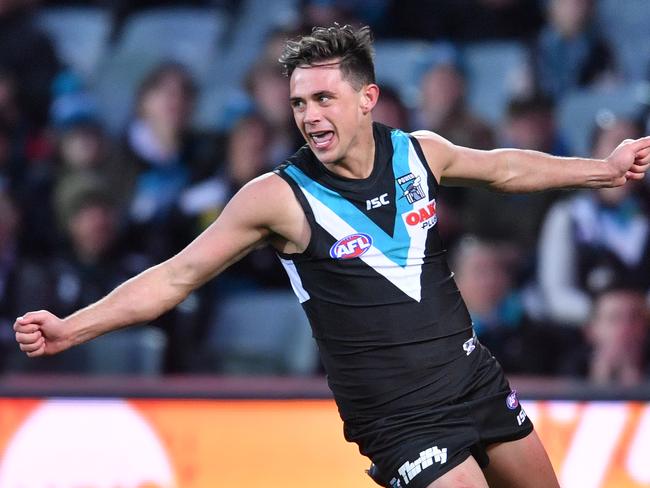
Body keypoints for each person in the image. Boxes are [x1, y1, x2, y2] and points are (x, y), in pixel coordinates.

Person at [14, 25, 650, 488]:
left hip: (471, 377)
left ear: (366, 100)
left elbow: (505, 168)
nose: (309, 116)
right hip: (398, 415)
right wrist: (73, 327)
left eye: (324, 100)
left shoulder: (416, 152)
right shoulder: (277, 199)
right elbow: (175, 276)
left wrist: (604, 168)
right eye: (298, 103)